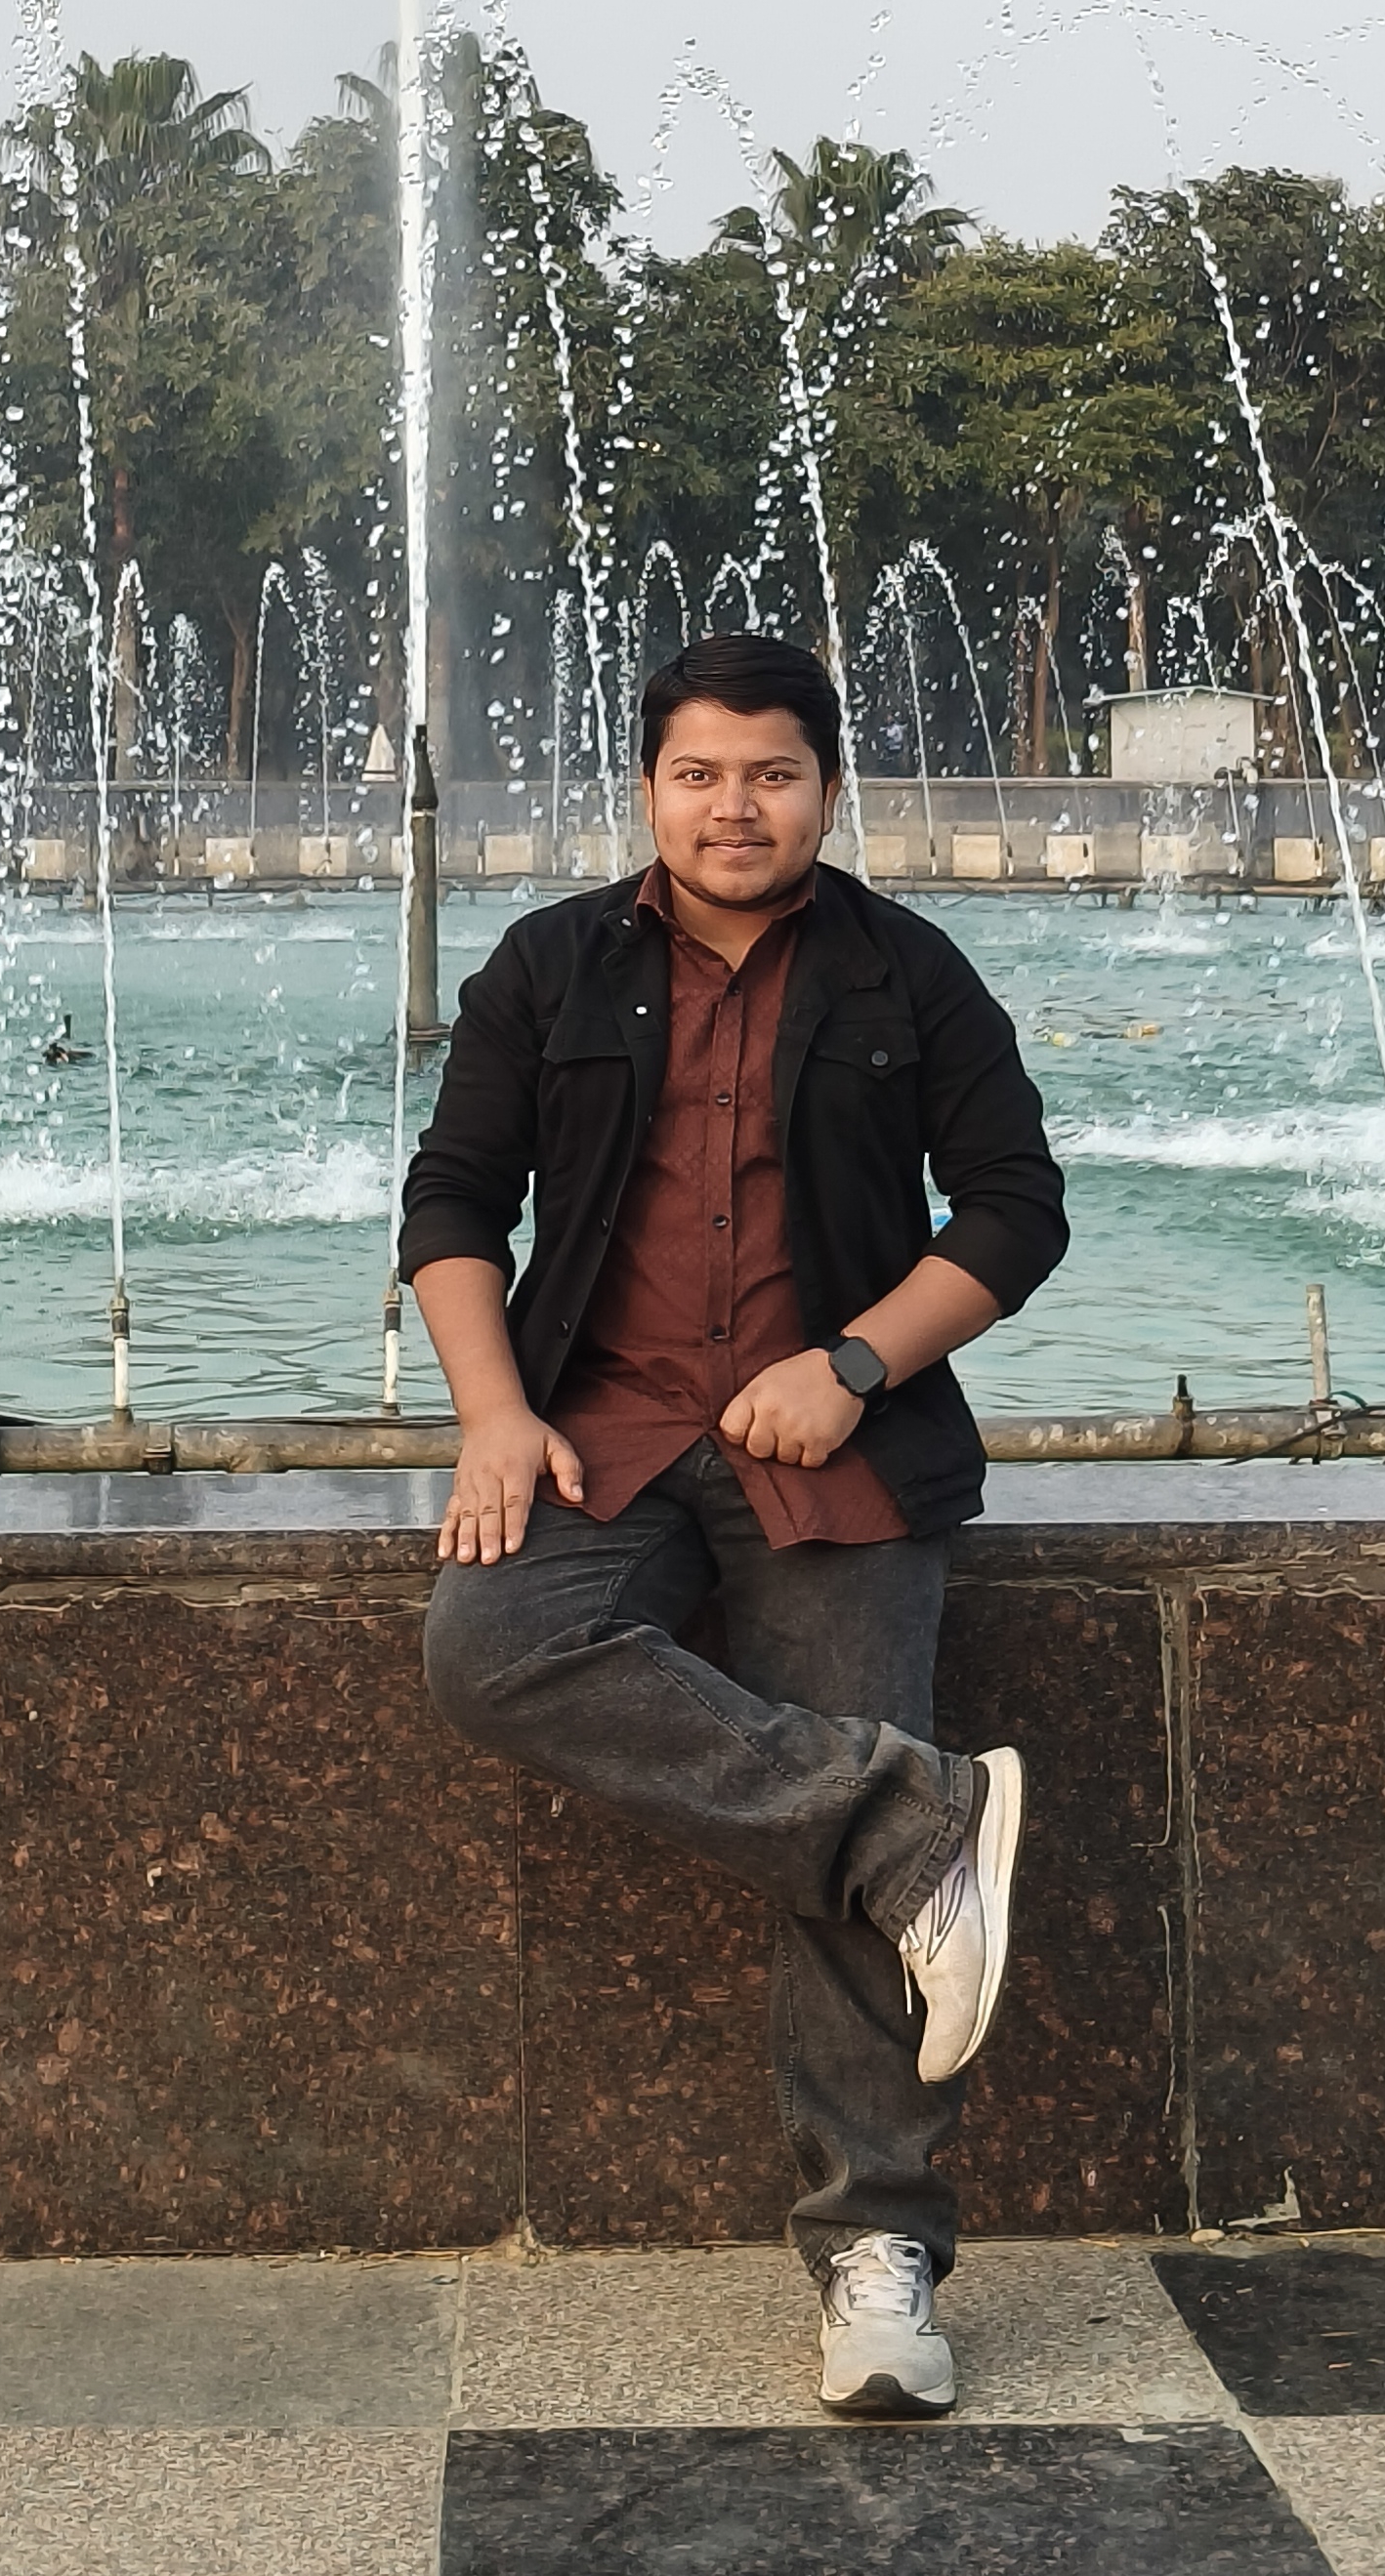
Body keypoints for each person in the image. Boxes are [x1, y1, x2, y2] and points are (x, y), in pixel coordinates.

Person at [401, 631, 1068, 2422]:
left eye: (771, 774)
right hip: (600, 1436)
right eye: (698, 774)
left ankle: (878, 2252)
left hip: (836, 1445)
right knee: (488, 1645)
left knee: (848, 1759)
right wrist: (493, 1416)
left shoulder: (905, 971)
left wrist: (854, 1364)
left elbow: (1015, 1208)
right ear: (648, 788)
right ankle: (916, 1822)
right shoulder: (551, 966)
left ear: (825, 789)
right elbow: (451, 1201)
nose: (734, 808)